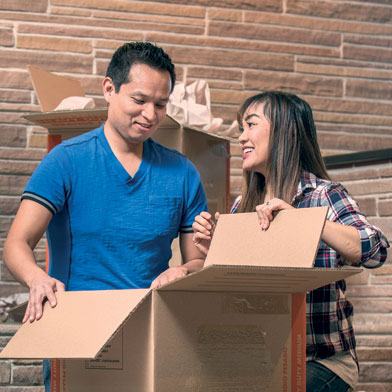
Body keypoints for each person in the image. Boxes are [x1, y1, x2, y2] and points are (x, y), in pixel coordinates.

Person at [3, 41, 207, 391]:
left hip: (151, 333)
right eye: (139, 101)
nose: (150, 114)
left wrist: (184, 271)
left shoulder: (183, 172)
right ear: (109, 89)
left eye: (161, 105)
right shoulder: (66, 161)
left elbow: (198, 261)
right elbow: (16, 244)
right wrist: (37, 278)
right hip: (75, 333)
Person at [192, 91, 389, 392]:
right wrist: (211, 254)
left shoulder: (323, 195)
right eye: (241, 128)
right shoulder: (243, 205)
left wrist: (305, 222)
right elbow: (233, 296)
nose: (242, 137)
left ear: (285, 132)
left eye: (251, 125)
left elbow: (376, 250)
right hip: (264, 360)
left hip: (323, 361)